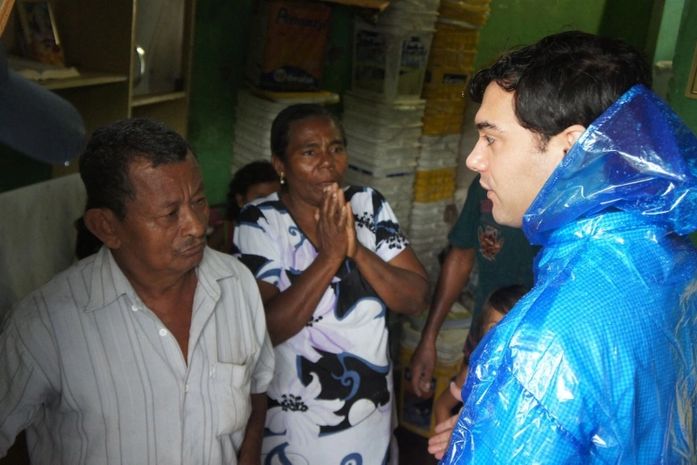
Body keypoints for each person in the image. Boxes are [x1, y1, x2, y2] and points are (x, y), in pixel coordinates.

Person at [439, 30, 697, 464]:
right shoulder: (671, 259)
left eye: (490, 138)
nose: (474, 159)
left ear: (570, 148)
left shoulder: (543, 345)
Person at [0, 118, 275, 465]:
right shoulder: (44, 324)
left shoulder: (237, 285)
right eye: (170, 213)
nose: (196, 226)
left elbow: (258, 390)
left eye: (200, 201)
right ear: (107, 227)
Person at [233, 103, 429, 464]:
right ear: (280, 165)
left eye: (336, 148)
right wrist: (329, 257)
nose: (327, 162)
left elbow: (415, 298)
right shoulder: (261, 221)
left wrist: (356, 250)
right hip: (298, 423)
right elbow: (263, 329)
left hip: (370, 414)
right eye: (310, 152)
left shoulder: (368, 206)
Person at [408, 176, 538, 398]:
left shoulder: (573, 196)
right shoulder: (485, 183)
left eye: (491, 140)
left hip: (537, 355)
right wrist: (429, 337)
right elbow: (460, 257)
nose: (475, 158)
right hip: (482, 342)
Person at [428, 285, 528, 460]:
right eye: (494, 329)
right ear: (481, 335)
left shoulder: (535, 382)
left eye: (513, 330)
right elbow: (442, 405)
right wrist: (450, 447)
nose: (503, 340)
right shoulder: (473, 374)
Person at [207, 160, 280, 253]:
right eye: (260, 198)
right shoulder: (228, 231)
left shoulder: (283, 227)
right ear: (240, 200)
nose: (268, 204)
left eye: (274, 197)